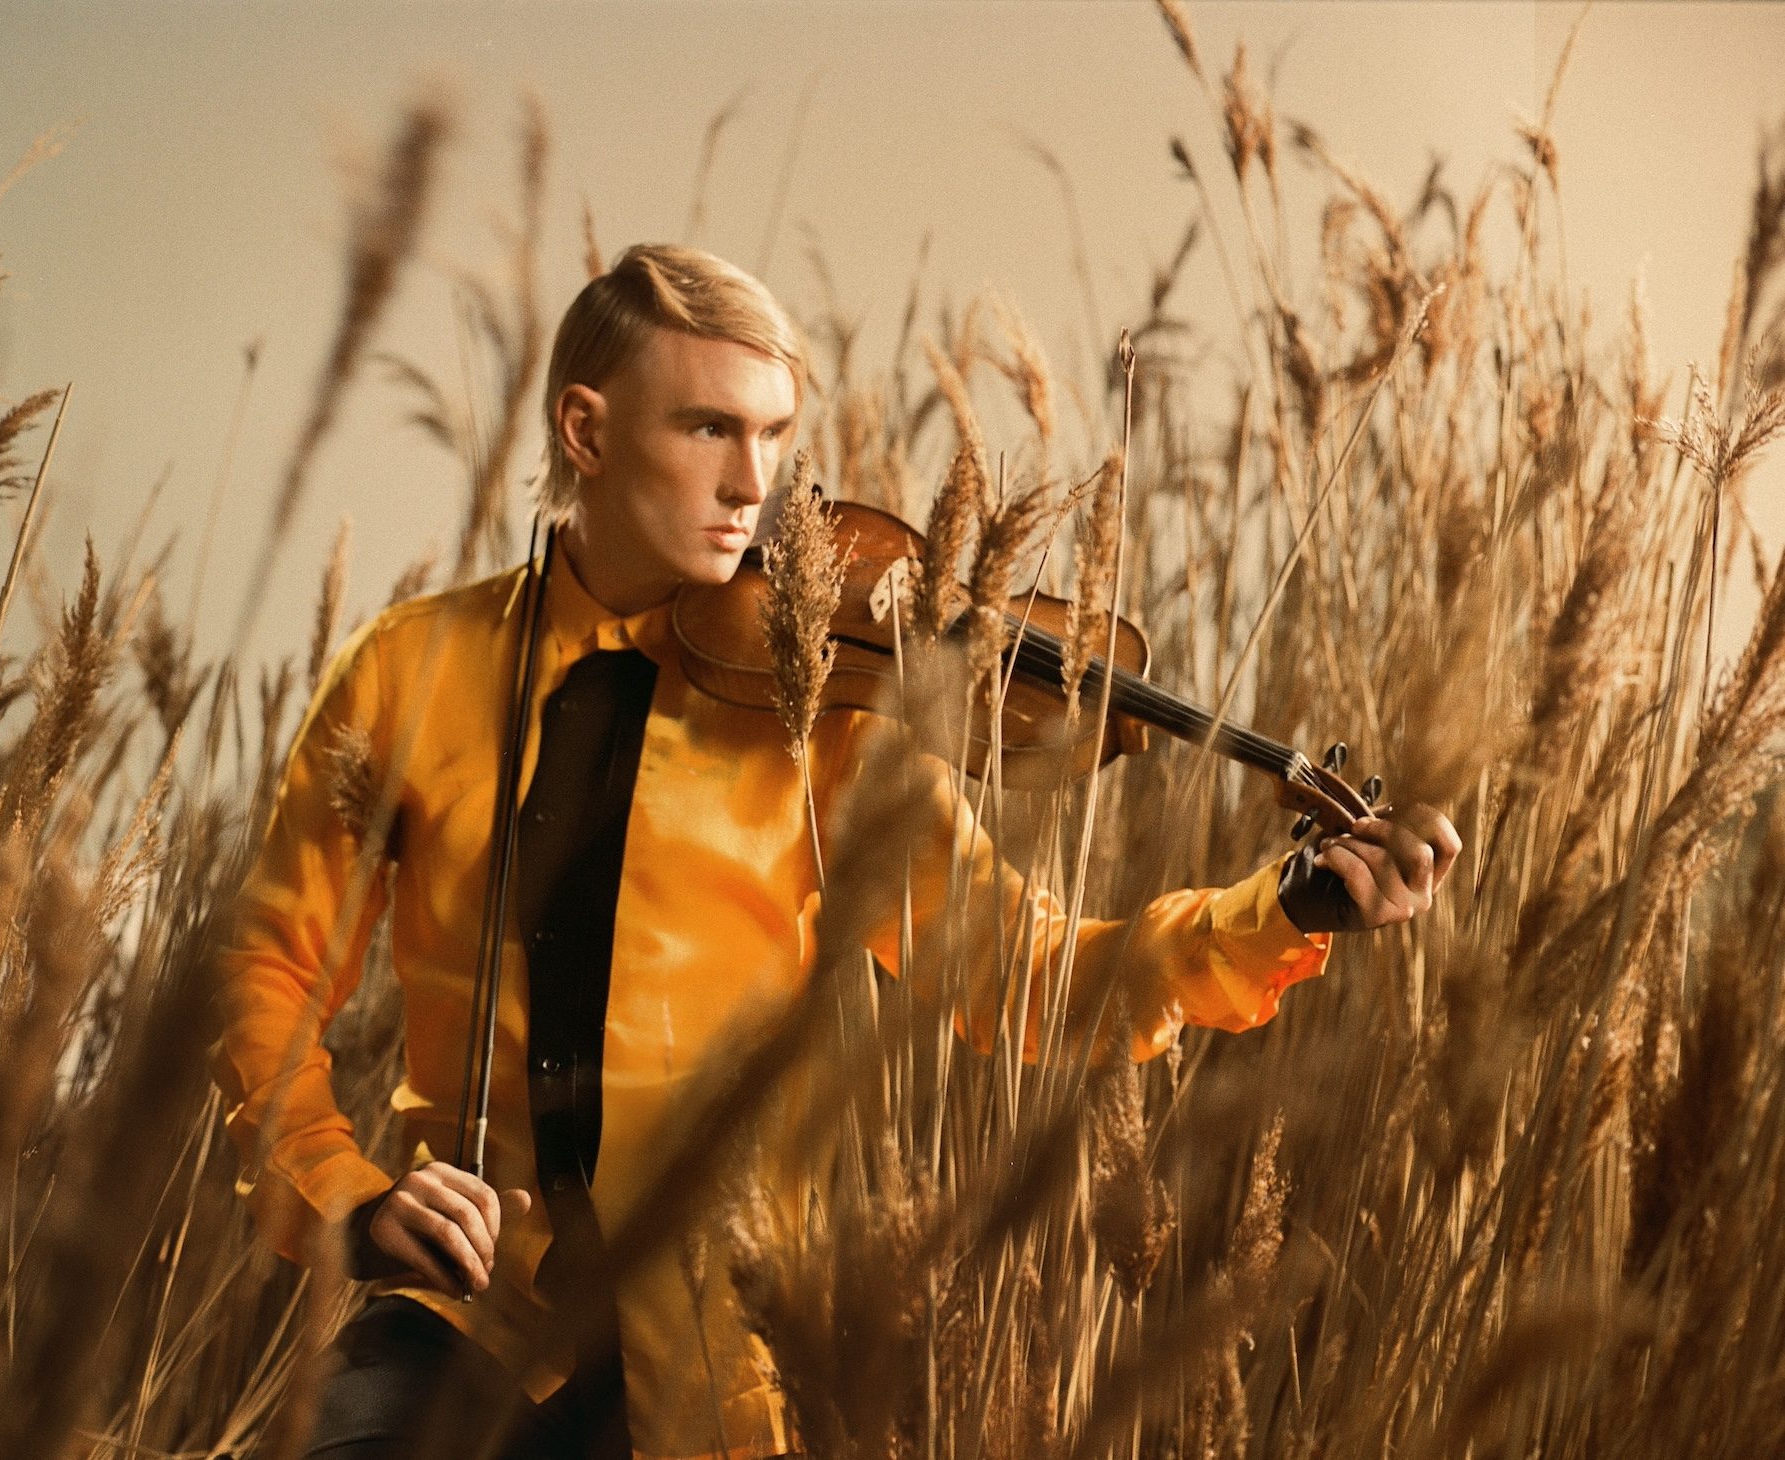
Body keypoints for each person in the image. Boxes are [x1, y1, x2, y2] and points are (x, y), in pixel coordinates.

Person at [210, 243, 1461, 1460]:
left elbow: (1027, 976)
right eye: (707, 428)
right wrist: (348, 1196)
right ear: (585, 432)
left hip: (709, 1356)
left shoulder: (821, 719)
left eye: (772, 435)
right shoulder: (408, 669)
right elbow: (263, 970)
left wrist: (1282, 907)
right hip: (466, 1314)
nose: (753, 483)